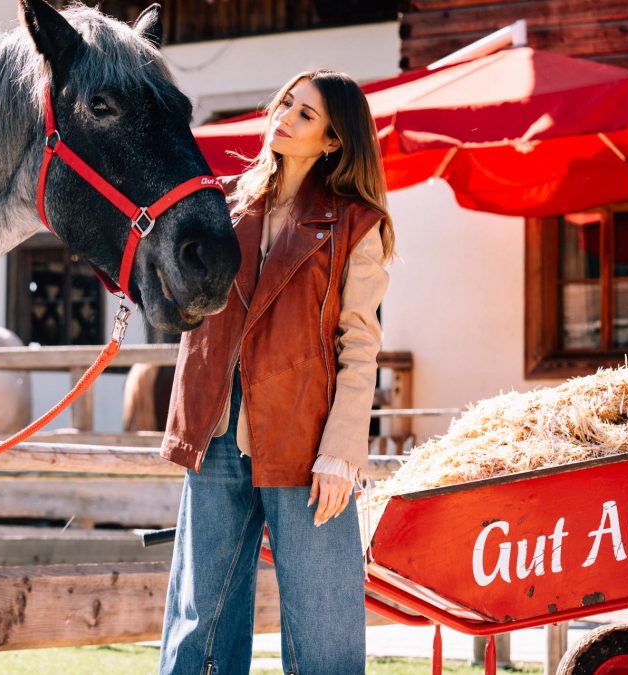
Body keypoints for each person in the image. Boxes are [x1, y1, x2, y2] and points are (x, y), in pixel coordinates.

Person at [158, 69, 395, 675]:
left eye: (305, 114)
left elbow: (360, 343)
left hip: (306, 440)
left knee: (323, 629)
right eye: (286, 103)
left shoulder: (356, 223)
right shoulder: (222, 205)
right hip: (216, 430)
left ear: (334, 141)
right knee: (199, 623)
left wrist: (342, 451)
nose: (284, 117)